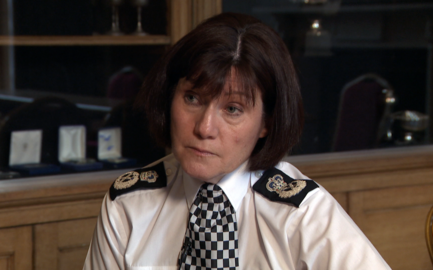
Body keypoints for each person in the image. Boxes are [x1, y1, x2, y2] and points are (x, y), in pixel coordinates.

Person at [84, 12, 391, 269]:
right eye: (192, 98)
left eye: (232, 109)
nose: (205, 127)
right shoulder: (128, 204)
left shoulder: (303, 214)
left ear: (266, 124)